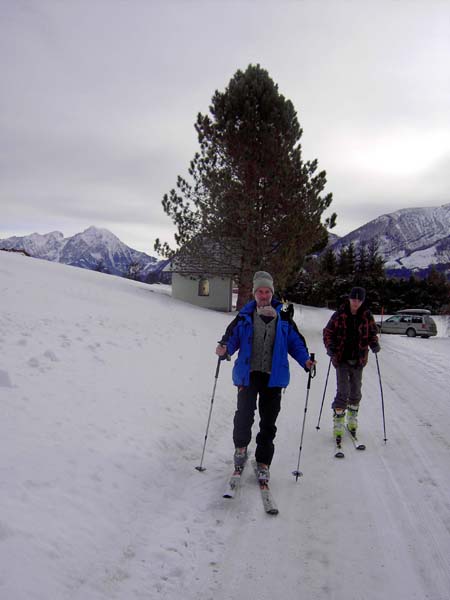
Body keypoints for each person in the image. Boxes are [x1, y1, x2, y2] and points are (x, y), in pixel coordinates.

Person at [216, 270, 315, 482]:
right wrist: (225, 349)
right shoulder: (245, 315)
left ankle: (263, 462)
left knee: (268, 422)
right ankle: (241, 451)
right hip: (248, 376)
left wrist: (306, 360)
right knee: (243, 416)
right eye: (259, 291)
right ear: (254, 293)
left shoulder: (284, 316)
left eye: (267, 291)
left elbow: (295, 343)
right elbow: (231, 338)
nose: (263, 295)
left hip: (273, 378)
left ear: (272, 293)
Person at [322, 286, 380, 443]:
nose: (355, 302)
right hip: (341, 359)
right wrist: (330, 347)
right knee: (343, 392)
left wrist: (374, 344)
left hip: (359, 360)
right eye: (353, 299)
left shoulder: (367, 316)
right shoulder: (339, 314)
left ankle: (352, 420)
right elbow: (327, 332)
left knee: (355, 391)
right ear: (349, 299)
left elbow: (373, 333)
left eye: (358, 300)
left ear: (362, 301)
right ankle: (338, 424)